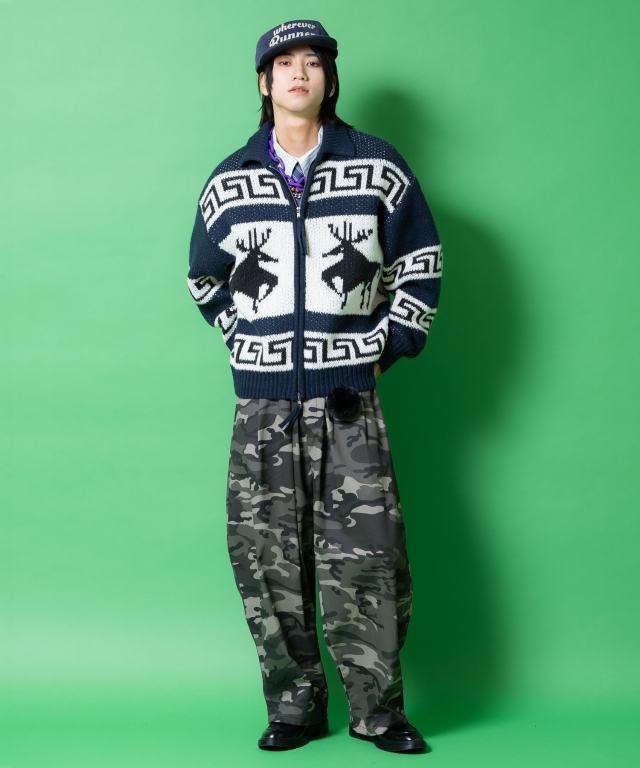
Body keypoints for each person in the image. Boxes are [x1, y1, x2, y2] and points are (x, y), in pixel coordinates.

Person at [187, 19, 443, 754]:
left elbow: (421, 264)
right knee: (267, 560)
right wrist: (245, 340)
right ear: (264, 83)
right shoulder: (230, 181)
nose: (298, 73)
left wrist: (384, 347)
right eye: (284, 64)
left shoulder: (377, 167)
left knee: (368, 559)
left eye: (313, 62)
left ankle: (378, 712)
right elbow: (203, 278)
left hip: (348, 403)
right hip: (262, 406)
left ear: (329, 80)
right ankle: (294, 708)